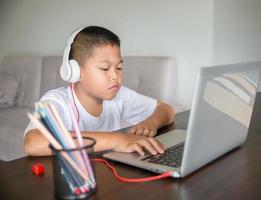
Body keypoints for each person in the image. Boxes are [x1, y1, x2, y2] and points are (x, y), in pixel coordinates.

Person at [23, 26, 175, 157]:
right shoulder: (56, 101)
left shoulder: (119, 95)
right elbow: (33, 142)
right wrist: (117, 140)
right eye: (104, 68)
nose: (115, 76)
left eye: (119, 68)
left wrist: (151, 122)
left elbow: (166, 109)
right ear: (74, 71)